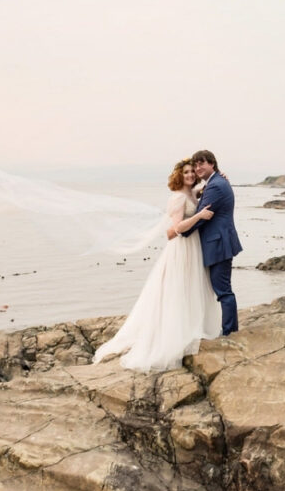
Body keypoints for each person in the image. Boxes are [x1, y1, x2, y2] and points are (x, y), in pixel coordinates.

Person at [92, 159, 222, 371]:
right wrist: (199, 215)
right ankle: (175, 334)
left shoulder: (191, 193)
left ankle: (192, 326)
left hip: (193, 247)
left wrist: (214, 180)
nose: (190, 175)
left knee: (192, 288)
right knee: (179, 290)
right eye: (186, 172)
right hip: (182, 249)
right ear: (179, 175)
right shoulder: (179, 197)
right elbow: (176, 228)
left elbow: (201, 189)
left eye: (192, 172)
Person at [173, 150, 242, 336]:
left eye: (201, 163)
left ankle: (229, 331)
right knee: (222, 288)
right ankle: (230, 328)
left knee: (223, 290)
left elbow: (202, 216)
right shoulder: (215, 182)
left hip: (218, 244)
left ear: (212, 163)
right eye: (195, 166)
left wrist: (182, 230)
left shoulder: (216, 185)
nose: (197, 168)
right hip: (219, 242)